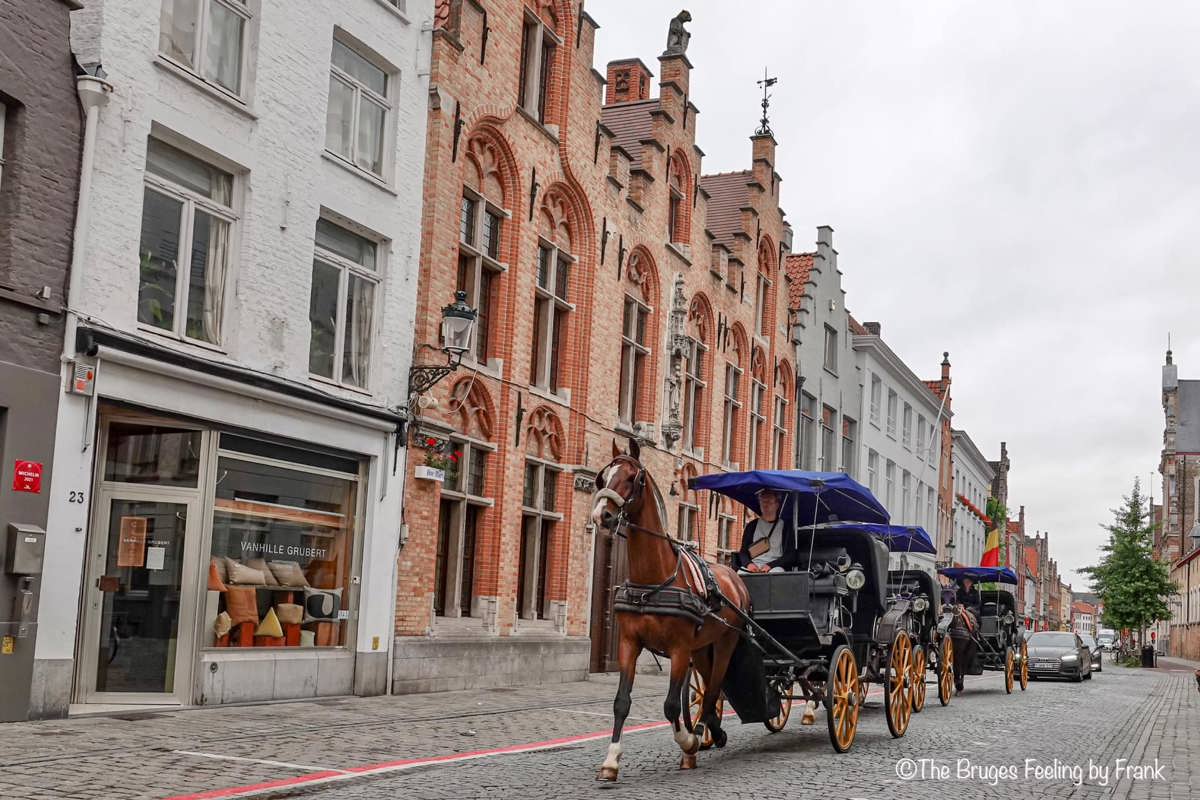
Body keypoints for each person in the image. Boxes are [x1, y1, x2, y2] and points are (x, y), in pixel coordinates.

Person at [733, 489, 797, 573]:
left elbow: (790, 555)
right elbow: (743, 552)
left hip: (775, 566)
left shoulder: (785, 527)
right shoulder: (751, 526)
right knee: (740, 574)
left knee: (776, 574)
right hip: (754, 565)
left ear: (777, 505)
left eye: (769, 502)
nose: (765, 505)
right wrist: (749, 564)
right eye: (763, 501)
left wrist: (771, 565)